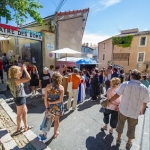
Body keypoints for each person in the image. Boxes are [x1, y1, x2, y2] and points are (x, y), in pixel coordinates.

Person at [107, 69, 149, 149]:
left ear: (131, 76)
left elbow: (117, 95)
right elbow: (145, 102)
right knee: (132, 127)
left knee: (120, 124)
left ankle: (119, 139)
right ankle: (129, 142)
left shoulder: (125, 84)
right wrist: (141, 110)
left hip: (123, 110)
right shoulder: (144, 88)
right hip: (134, 112)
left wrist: (110, 100)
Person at [7, 65, 32, 134]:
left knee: (25, 111)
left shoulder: (12, 79)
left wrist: (21, 69)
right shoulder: (16, 81)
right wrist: (25, 70)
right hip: (20, 98)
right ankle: (18, 128)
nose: (20, 72)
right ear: (15, 73)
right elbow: (28, 78)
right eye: (19, 71)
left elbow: (20, 76)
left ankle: (26, 126)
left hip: (19, 98)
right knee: (19, 114)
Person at [44, 72, 64, 138]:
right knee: (56, 120)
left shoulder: (48, 86)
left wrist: (47, 107)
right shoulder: (61, 88)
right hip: (57, 107)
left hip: (49, 107)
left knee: (48, 120)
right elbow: (60, 100)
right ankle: (55, 134)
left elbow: (45, 98)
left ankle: (44, 134)